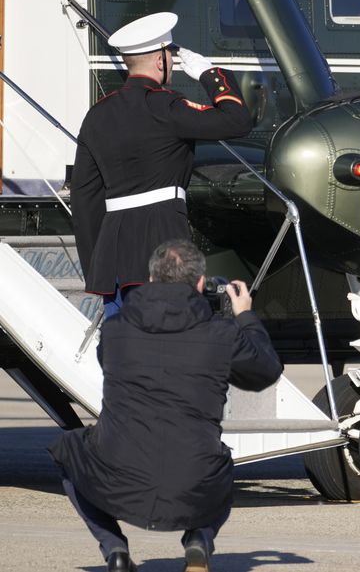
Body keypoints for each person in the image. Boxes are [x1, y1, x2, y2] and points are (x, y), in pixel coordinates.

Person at [49, 239, 282, 571]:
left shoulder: (116, 331)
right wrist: (245, 317)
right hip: (194, 481)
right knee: (222, 462)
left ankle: (114, 549)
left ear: (152, 280)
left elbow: (107, 361)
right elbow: (266, 370)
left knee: (68, 451)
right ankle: (199, 539)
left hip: (118, 479)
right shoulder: (220, 334)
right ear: (201, 283)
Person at [70, 12, 251, 318]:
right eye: (169, 54)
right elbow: (237, 121)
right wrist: (212, 75)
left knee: (119, 351)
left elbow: (84, 197)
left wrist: (96, 265)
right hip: (164, 248)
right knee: (169, 344)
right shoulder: (166, 106)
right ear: (159, 61)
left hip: (113, 257)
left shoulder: (97, 115)